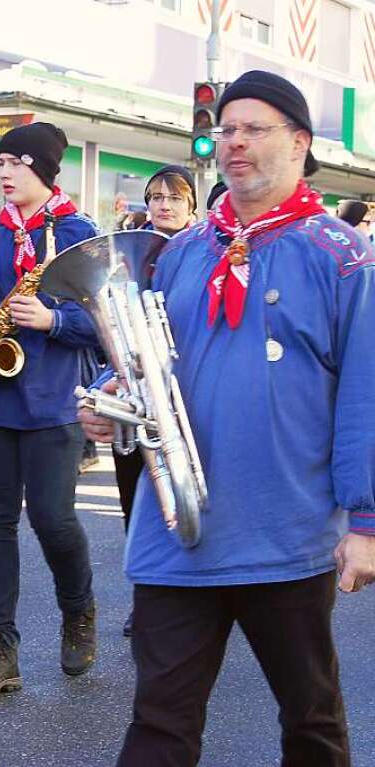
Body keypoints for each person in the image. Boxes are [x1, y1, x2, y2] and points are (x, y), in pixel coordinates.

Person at [78, 70, 375, 766]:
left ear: (300, 142)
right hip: (176, 534)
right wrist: (111, 398)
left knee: (311, 722)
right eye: (227, 128)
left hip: (287, 534)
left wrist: (365, 521)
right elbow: (147, 362)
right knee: (158, 726)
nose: (234, 141)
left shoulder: (345, 256)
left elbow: (367, 395)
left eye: (254, 128)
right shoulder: (180, 253)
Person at [0, 122, 101, 698]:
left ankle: (79, 608)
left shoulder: (80, 236)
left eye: (16, 163)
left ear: (45, 170)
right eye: (1, 162)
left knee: (53, 519)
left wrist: (56, 320)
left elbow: (107, 325)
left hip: (52, 403)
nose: (3, 173)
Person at [115, 163, 198, 637]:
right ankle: (145, 599)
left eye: (174, 198)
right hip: (135, 392)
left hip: (185, 392)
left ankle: (191, 596)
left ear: (190, 206)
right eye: (156, 198)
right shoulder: (130, 248)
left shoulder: (203, 249)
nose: (163, 206)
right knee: (137, 502)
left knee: (183, 495)